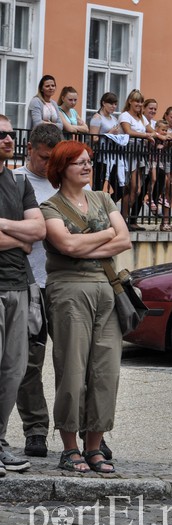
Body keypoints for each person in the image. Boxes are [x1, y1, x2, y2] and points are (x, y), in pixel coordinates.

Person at [40, 140, 132, 473]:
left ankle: (95, 447)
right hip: (68, 291)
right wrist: (104, 236)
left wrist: (83, 246)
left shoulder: (103, 198)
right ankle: (69, 448)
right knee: (73, 370)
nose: (86, 166)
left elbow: (124, 239)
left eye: (88, 161)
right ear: (61, 168)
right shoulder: (49, 207)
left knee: (106, 371)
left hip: (107, 289)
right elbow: (64, 244)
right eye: (78, 162)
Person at [7, 124, 62, 458]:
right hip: (30, 283)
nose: (47, 164)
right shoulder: (14, 181)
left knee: (74, 362)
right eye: (43, 157)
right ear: (29, 149)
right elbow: (27, 236)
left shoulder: (65, 181)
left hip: (61, 282)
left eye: (53, 158)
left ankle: (85, 432)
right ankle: (36, 430)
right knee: (30, 364)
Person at [0, 114, 46, 477]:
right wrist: (22, 237)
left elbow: (39, 230)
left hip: (20, 284)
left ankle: (0, 443)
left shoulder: (17, 183)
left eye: (8, 134)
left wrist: (4, 226)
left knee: (13, 370)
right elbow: (27, 237)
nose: (6, 139)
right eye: (0, 135)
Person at [118, 89, 156, 230]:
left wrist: (163, 135)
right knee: (132, 188)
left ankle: (125, 219)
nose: (139, 104)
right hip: (129, 152)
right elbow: (128, 132)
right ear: (130, 101)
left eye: (141, 102)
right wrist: (145, 135)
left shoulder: (142, 118)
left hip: (140, 153)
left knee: (138, 189)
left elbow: (151, 130)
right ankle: (122, 220)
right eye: (137, 101)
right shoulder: (125, 116)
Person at [88, 92, 122, 196]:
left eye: (115, 104)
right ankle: (95, 209)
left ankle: (107, 207)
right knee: (98, 186)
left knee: (120, 188)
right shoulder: (97, 117)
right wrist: (109, 133)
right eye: (111, 104)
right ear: (103, 103)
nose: (113, 106)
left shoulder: (114, 119)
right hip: (101, 155)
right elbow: (93, 138)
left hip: (113, 155)